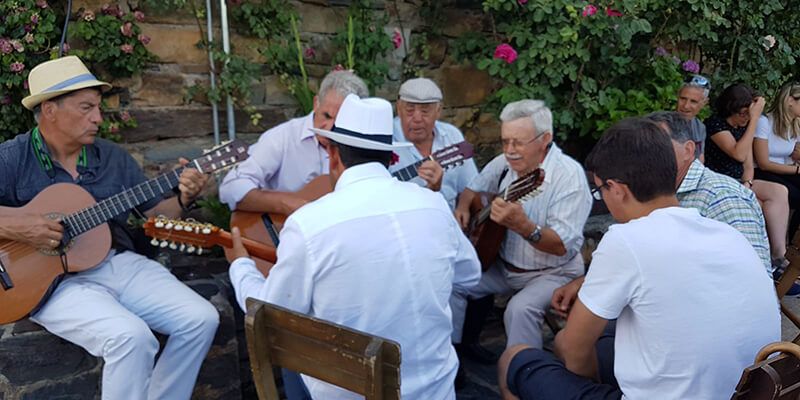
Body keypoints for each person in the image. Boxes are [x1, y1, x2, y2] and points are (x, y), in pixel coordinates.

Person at [500, 117, 780, 400]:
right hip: (746, 391)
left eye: (600, 190)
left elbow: (574, 349)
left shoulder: (625, 240)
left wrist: (590, 386)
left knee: (514, 359)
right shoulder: (726, 233)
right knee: (596, 342)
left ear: (617, 189)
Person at [227, 94, 482, 399]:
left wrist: (240, 265)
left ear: (334, 156)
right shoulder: (434, 204)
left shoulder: (310, 223)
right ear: (390, 157)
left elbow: (270, 313)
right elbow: (470, 275)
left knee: (295, 350)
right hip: (436, 390)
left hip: (352, 392)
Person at [0, 56, 219, 400]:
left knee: (201, 318)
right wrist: (21, 227)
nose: (98, 118)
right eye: (87, 108)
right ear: (50, 109)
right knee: (131, 337)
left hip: (116, 262)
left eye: (98, 108)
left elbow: (157, 214)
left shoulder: (113, 159)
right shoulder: (12, 159)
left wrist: (185, 195)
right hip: (49, 283)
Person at [451, 100, 592, 353]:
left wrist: (524, 226)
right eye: (505, 141)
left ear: (545, 138)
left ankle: (525, 378)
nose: (510, 150)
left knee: (519, 310)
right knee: (451, 281)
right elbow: (473, 186)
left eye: (518, 142)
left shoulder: (569, 177)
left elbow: (561, 245)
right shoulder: (505, 163)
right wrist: (463, 207)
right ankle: (455, 353)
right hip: (504, 268)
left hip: (552, 273)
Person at [218, 70, 369, 214]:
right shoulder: (283, 137)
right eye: (326, 116)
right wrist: (285, 204)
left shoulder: (364, 149)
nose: (330, 128)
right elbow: (232, 187)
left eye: (341, 121)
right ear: (316, 103)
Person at [705, 83, 789, 265]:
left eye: (749, 113)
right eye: (743, 113)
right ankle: (759, 260)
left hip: (740, 181)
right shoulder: (715, 124)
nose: (746, 118)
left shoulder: (744, 127)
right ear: (730, 109)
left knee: (779, 191)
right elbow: (738, 153)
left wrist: (747, 184)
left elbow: (748, 164)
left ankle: (779, 255)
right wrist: (755, 119)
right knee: (757, 204)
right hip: (719, 181)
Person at [391, 77, 478, 210]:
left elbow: (472, 184)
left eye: (425, 111)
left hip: (448, 222)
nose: (417, 118)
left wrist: (463, 206)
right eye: (410, 110)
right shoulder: (386, 139)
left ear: (438, 111)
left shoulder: (451, 135)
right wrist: (432, 190)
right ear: (398, 109)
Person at [753, 81, 800, 241]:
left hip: (784, 170)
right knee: (797, 196)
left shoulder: (795, 125)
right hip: (762, 172)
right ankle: (790, 247)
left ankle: (794, 243)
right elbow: (763, 163)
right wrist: (796, 170)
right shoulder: (764, 122)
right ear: (789, 101)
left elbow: (795, 154)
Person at [676, 74, 711, 161]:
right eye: (683, 99)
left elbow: (700, 160)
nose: (686, 106)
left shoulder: (700, 128)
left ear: (704, 103)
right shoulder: (662, 124)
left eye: (693, 101)